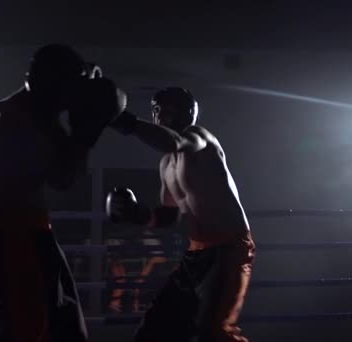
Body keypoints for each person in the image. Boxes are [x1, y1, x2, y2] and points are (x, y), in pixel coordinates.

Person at [0, 43, 125, 342]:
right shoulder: (11, 119)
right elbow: (64, 177)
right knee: (28, 331)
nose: (67, 103)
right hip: (15, 237)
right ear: (51, 85)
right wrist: (85, 132)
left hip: (36, 233)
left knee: (68, 332)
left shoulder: (36, 113)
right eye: (66, 92)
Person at [106, 87, 255, 342]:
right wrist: (135, 214)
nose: (159, 115)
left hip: (229, 249)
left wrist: (122, 120)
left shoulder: (199, 137)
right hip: (195, 255)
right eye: (155, 110)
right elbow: (168, 215)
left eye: (166, 109)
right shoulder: (166, 164)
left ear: (187, 112)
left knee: (214, 333)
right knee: (153, 329)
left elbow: (173, 141)